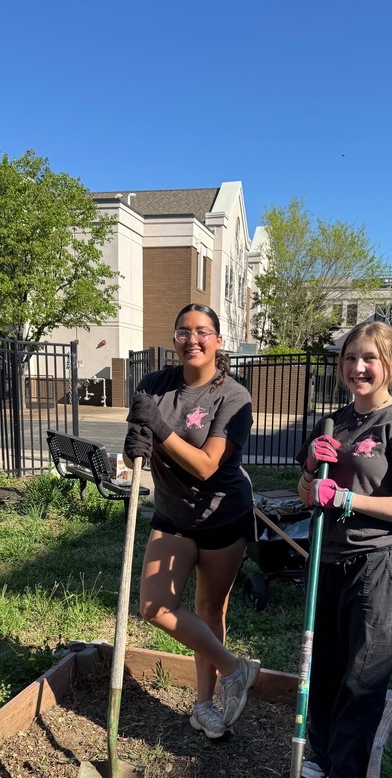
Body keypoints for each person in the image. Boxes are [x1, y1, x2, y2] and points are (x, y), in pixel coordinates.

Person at [295, 322, 392, 778]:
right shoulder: (332, 424)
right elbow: (306, 492)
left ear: (391, 364)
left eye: (369, 358)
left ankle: (347, 768)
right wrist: (312, 467)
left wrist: (348, 498)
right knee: (326, 664)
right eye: (350, 358)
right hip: (327, 560)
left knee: (363, 670)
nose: (358, 368)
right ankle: (325, 750)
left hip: (376, 564)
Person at [123, 303, 260, 740]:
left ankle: (205, 706)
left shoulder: (234, 396)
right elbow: (139, 449)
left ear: (218, 340)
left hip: (222, 515)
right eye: (183, 331)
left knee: (208, 610)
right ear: (175, 338)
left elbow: (206, 465)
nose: (192, 340)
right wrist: (134, 445)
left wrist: (160, 428)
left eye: (203, 331)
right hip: (172, 514)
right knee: (153, 607)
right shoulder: (154, 385)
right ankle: (235, 670)